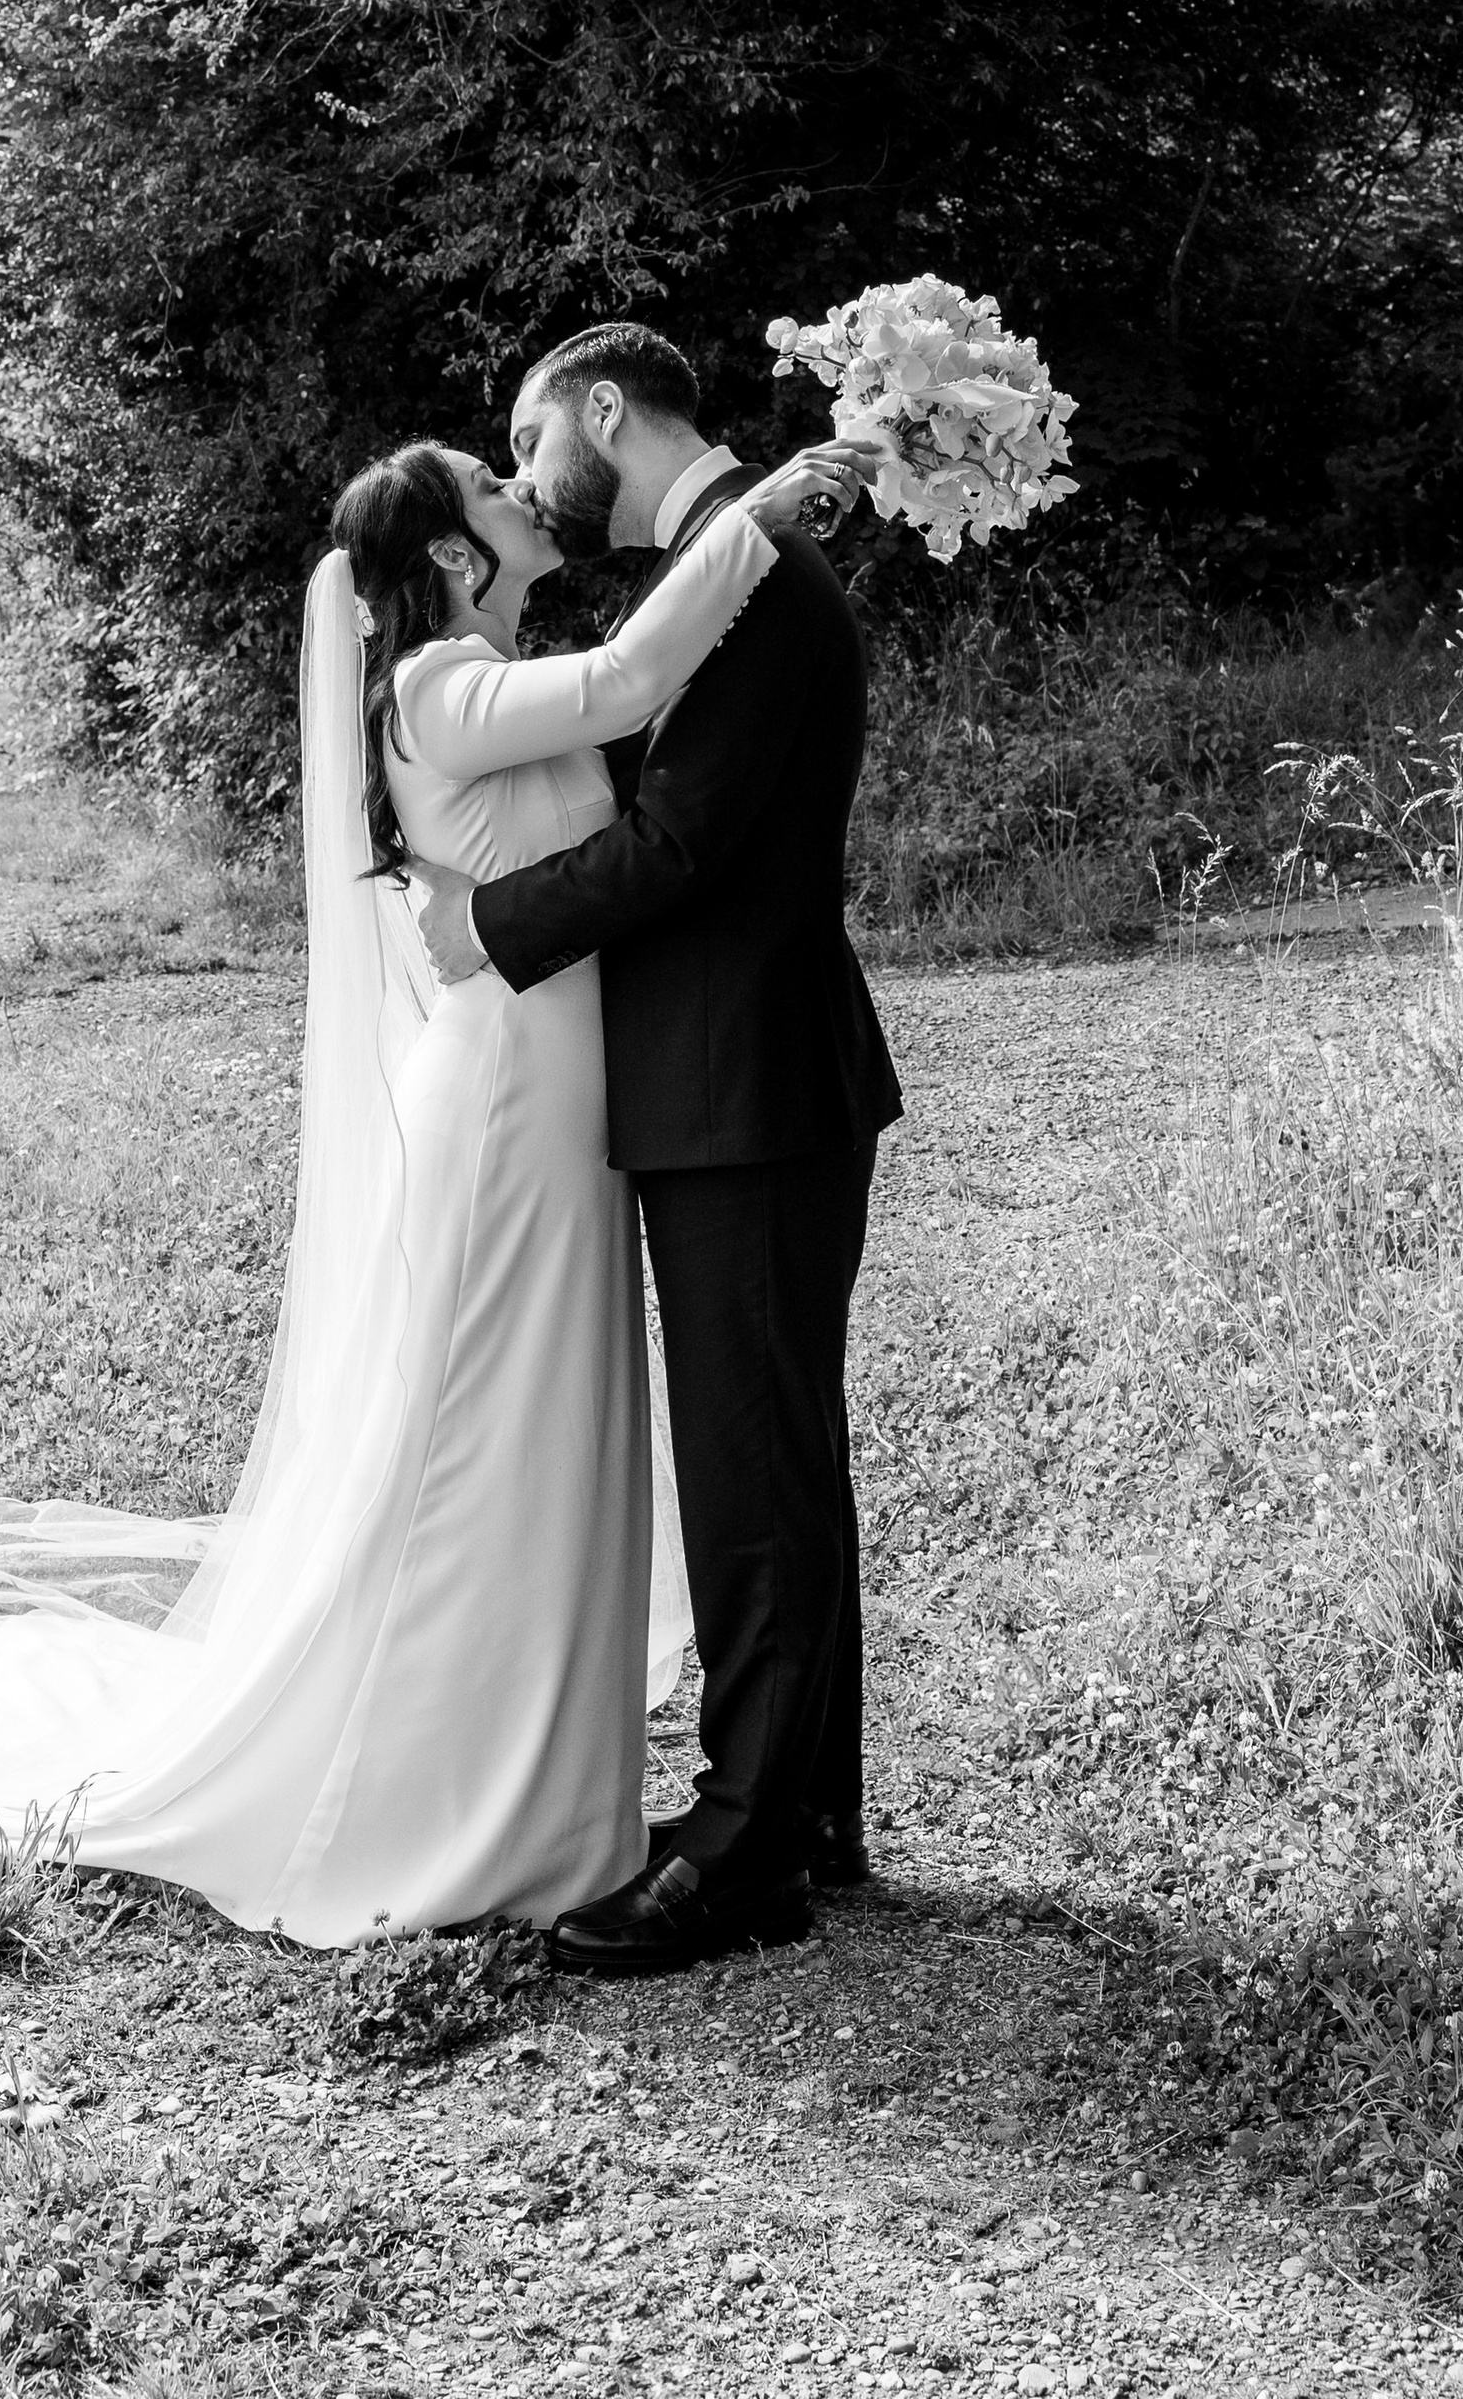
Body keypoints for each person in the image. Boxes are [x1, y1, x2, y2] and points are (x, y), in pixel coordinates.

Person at [0, 422, 870, 1945]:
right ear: (450, 552)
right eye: (492, 482)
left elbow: (629, 748)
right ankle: (438, 1794)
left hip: (571, 1107)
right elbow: (629, 684)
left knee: (554, 1432)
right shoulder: (437, 685)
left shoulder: (497, 667)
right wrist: (757, 516)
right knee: (476, 1431)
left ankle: (548, 1784)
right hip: (505, 1106)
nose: (522, 486)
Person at [414, 322, 902, 1974]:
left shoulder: (751, 579)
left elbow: (679, 843)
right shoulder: (721, 566)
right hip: (735, 1079)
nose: (523, 469)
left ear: (603, 412)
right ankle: (808, 1812)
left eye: (526, 435)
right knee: (776, 1454)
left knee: (751, 1470)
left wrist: (486, 927)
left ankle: (746, 1850)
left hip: (744, 1083)